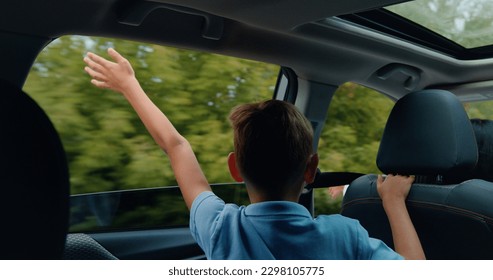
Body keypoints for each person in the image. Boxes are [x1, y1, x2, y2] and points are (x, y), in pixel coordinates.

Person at [83, 48, 425, 260]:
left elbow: (176, 146)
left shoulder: (219, 227)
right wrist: (394, 202)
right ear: (311, 169)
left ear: (235, 168)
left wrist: (130, 85)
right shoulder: (344, 235)